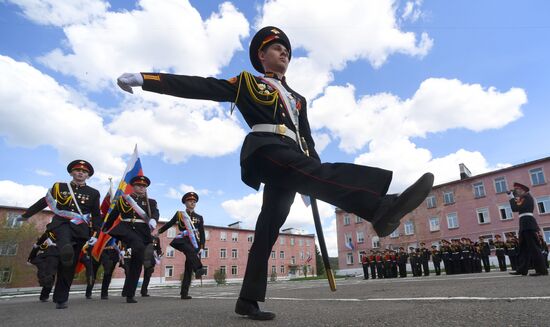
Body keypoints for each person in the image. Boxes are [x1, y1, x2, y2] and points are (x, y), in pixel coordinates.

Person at [117, 26, 434, 320]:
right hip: (266, 150)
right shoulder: (248, 83)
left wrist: (314, 180)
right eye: (278, 48)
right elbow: (200, 86)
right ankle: (379, 208)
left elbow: (308, 143)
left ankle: (247, 299)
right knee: (298, 184)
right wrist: (145, 79)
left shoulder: (298, 99)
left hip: (295, 162)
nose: (285, 54)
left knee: (268, 227)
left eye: (288, 51)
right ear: (261, 55)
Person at [17, 160, 101, 309]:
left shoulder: (94, 193)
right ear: (71, 173)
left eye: (84, 172)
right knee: (65, 241)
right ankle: (65, 248)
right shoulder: (59, 187)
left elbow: (96, 215)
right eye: (77, 170)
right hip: (61, 224)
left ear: (88, 176)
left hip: (81, 230)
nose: (80, 173)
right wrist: (26, 215)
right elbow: (44, 201)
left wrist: (96, 233)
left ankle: (61, 299)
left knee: (68, 266)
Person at [103, 175, 159, 303]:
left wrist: (154, 220)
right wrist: (104, 228)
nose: (141, 187)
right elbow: (113, 215)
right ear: (133, 187)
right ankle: (146, 254)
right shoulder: (123, 200)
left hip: (143, 230)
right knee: (139, 246)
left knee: (137, 264)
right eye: (138, 185)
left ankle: (130, 293)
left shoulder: (151, 202)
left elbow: (155, 213)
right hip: (126, 228)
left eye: (144, 186)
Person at [157, 192, 206, 300]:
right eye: (190, 201)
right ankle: (199, 268)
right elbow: (170, 223)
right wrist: (159, 231)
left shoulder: (199, 217)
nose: (192, 203)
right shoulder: (180, 214)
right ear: (185, 203)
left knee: (188, 267)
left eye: (194, 201)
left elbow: (202, 233)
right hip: (182, 240)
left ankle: (184, 293)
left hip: (194, 242)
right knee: (189, 250)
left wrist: (202, 247)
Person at [508, 182, 548, 276]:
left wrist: (511, 197)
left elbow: (516, 208)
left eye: (517, 190)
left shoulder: (527, 198)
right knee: (523, 249)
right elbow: (515, 207)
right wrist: (512, 197)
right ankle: (522, 269)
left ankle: (542, 270)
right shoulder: (522, 198)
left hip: (528, 224)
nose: (516, 192)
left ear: (523, 190)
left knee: (534, 248)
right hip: (523, 224)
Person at [28, 231, 59, 302]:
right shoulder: (46, 238)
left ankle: (44, 296)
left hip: (54, 259)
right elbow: (36, 248)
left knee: (50, 277)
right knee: (48, 276)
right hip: (46, 258)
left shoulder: (58, 237)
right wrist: (30, 258)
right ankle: (44, 295)